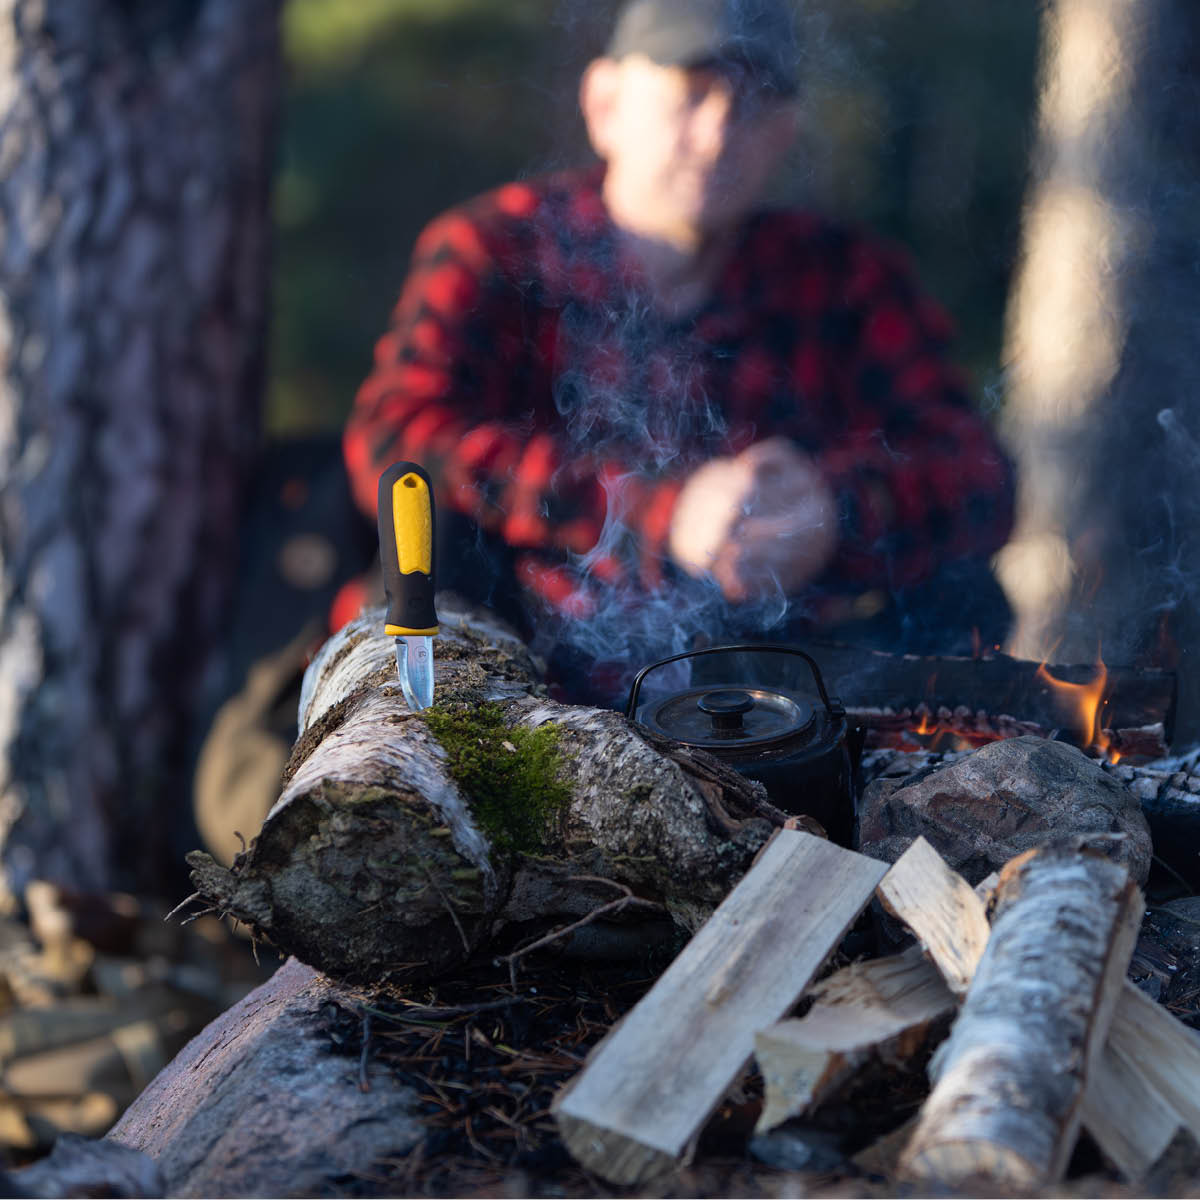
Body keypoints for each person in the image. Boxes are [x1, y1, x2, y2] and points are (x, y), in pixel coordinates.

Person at [342, 0, 1015, 700]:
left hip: (774, 684)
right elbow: (396, 444)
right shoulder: (497, 249)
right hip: (526, 668)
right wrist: (658, 511)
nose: (718, 134)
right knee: (435, 544)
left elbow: (980, 477)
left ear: (785, 131)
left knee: (961, 591)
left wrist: (833, 510)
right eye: (689, 95)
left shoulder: (845, 277)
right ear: (606, 105)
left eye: (753, 106)